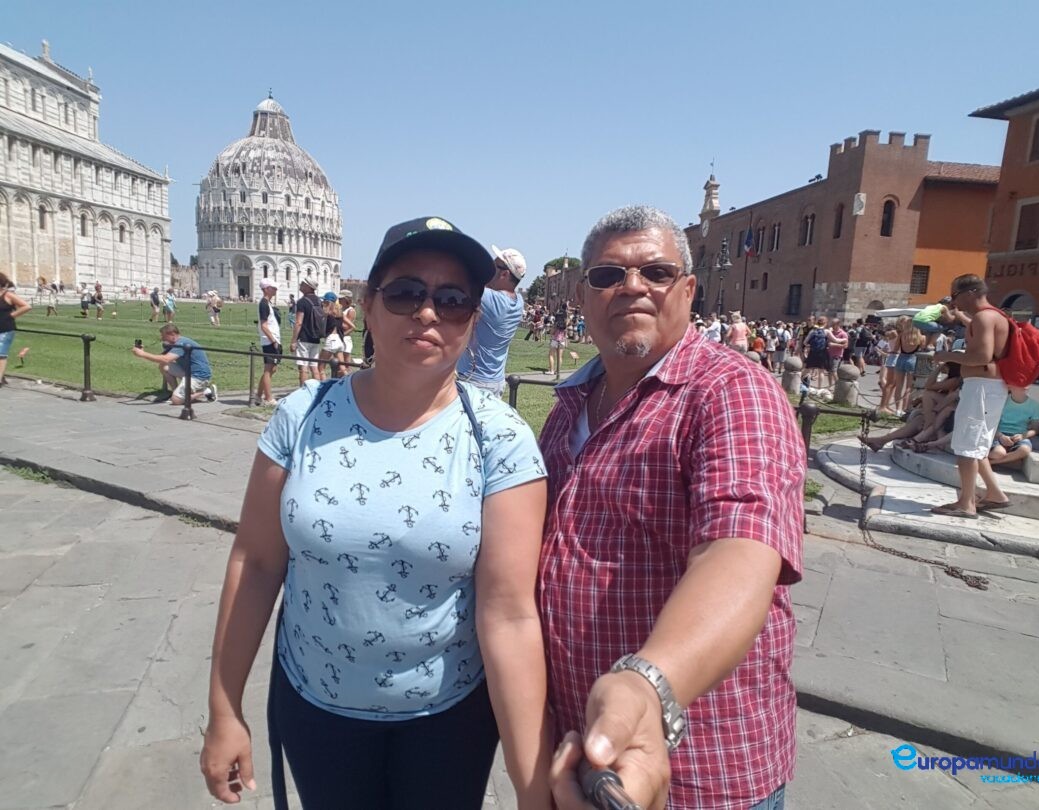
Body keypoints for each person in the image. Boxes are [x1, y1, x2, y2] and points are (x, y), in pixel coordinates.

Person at [199, 215, 551, 809]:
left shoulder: (500, 437)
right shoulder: (303, 415)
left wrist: (532, 785)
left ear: (473, 317)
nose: (428, 313)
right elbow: (256, 563)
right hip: (316, 705)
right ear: (369, 305)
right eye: (407, 292)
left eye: (453, 300)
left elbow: (509, 612)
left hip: (448, 717)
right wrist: (224, 708)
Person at [541, 206, 803, 810]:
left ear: (687, 290)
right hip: (586, 753)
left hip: (704, 765)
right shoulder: (568, 406)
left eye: (655, 271)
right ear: (582, 296)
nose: (631, 286)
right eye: (607, 275)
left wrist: (647, 684)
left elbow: (740, 550)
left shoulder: (731, 391)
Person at [930, 274, 1011, 518]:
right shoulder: (994, 315)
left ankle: (966, 503)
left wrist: (947, 356)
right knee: (978, 445)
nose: (954, 303)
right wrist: (962, 319)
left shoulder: (984, 318)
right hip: (991, 386)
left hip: (982, 386)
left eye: (955, 296)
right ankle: (995, 494)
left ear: (971, 293)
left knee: (967, 446)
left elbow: (981, 357)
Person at [456, 245, 526, 395]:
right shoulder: (519, 302)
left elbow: (461, 282)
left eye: (494, 266)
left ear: (505, 274)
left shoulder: (490, 299)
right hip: (496, 381)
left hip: (474, 381)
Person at [132, 323, 217, 404]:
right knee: (163, 366)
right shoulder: (174, 344)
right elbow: (161, 358)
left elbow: (166, 359)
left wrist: (142, 354)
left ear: (172, 334)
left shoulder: (181, 344)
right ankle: (176, 392)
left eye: (163, 336)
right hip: (188, 372)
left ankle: (205, 391)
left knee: (176, 401)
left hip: (199, 376)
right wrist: (142, 352)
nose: (162, 338)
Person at [989, 386, 1039, 470]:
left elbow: (1036, 429)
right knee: (998, 453)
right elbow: (991, 424)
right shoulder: (1002, 401)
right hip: (999, 434)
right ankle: (1010, 460)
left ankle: (990, 463)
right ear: (1010, 387)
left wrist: (1023, 436)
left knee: (1025, 450)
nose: (1023, 386)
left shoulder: (1035, 405)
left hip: (1020, 436)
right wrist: (1000, 436)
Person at [0, 273, 32, 385]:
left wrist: (12, 315)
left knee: (1, 354)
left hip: (5, 328)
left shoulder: (7, 295)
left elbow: (26, 306)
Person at [257, 279, 282, 406]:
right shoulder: (263, 304)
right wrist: (273, 340)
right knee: (268, 369)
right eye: (273, 288)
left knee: (272, 369)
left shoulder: (267, 303)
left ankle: (258, 395)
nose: (276, 290)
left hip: (273, 339)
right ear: (266, 289)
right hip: (270, 341)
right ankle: (268, 398)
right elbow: (264, 325)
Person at [318, 291, 346, 377]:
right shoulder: (339, 312)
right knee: (342, 367)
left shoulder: (328, 312)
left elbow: (323, 317)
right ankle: (347, 383)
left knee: (320, 367)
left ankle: (323, 388)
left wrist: (325, 306)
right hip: (339, 339)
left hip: (331, 339)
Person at [802, 316, 831, 390]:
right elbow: (836, 340)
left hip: (813, 352)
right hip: (822, 353)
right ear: (826, 323)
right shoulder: (826, 331)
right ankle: (819, 388)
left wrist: (810, 346)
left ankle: (801, 383)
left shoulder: (813, 331)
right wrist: (843, 341)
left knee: (807, 369)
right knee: (821, 371)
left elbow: (805, 342)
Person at [548, 304, 568, 375]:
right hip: (562, 340)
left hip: (555, 340)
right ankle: (557, 371)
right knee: (559, 357)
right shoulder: (565, 325)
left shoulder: (556, 324)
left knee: (551, 355)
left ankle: (551, 370)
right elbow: (566, 334)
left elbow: (551, 333)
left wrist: (551, 331)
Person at [339, 291, 357, 368]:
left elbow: (347, 326)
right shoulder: (341, 309)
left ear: (346, 299)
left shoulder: (350, 311)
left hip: (345, 338)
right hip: (339, 337)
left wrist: (337, 320)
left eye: (341, 298)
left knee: (346, 362)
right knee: (339, 362)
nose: (339, 300)